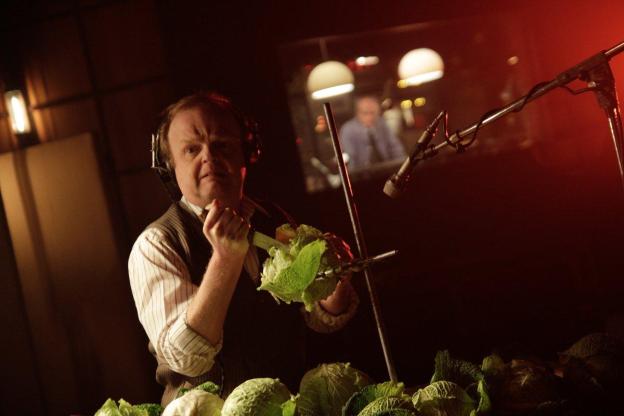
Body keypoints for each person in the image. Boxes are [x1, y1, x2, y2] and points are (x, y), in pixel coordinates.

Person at [128, 92, 359, 406]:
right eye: (192, 149)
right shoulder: (157, 244)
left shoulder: (272, 219)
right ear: (170, 166)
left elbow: (316, 318)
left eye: (222, 144)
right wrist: (225, 259)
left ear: (247, 154)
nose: (209, 157)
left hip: (290, 408)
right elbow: (186, 360)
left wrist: (335, 281)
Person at [339, 96, 407, 170]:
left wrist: (403, 167)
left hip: (385, 168)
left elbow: (395, 147)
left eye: (373, 113)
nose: (370, 117)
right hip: (362, 171)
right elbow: (350, 156)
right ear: (358, 113)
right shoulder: (348, 130)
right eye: (365, 113)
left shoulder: (382, 124)